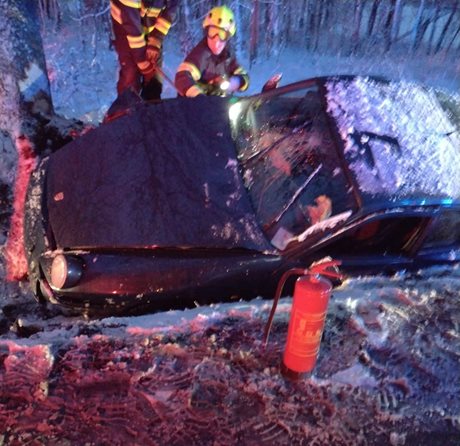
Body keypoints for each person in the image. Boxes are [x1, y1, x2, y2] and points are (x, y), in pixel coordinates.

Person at [109, 0, 178, 101]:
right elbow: (131, 24)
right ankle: (127, 106)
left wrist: (156, 38)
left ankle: (153, 105)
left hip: (151, 24)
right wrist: (141, 60)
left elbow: (171, 8)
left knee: (154, 71)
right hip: (124, 24)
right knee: (131, 72)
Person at [175, 5, 249, 97]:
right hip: (194, 104)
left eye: (222, 35)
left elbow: (244, 77)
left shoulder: (227, 56)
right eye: (212, 32)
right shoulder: (201, 53)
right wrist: (198, 96)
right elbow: (182, 76)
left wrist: (235, 82)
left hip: (218, 103)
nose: (216, 41)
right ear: (206, 32)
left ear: (228, 37)